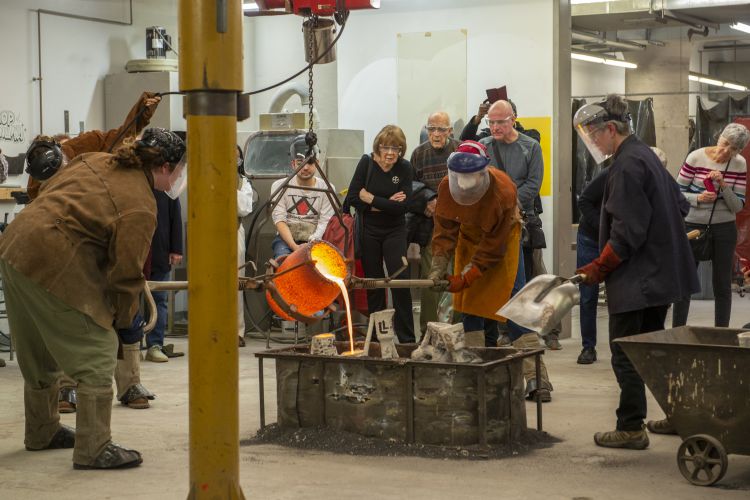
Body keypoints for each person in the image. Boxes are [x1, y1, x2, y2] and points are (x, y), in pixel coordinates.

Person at [0, 127, 186, 469]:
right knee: (98, 352)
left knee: (38, 350)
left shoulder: (97, 160)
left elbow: (50, 191)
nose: (179, 177)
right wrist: (124, 319)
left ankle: (42, 431)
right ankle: (95, 447)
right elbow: (127, 274)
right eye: (179, 170)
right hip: (53, 260)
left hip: (14, 249)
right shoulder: (142, 206)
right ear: (163, 167)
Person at [573, 94, 699, 450]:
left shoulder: (627, 165)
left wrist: (599, 267)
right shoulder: (645, 155)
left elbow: (627, 233)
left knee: (626, 353)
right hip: (660, 274)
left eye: (594, 136)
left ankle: (630, 427)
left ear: (611, 129)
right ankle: (679, 416)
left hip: (640, 279)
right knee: (651, 352)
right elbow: (679, 203)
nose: (593, 143)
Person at [23, 92, 162, 411]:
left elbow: (117, 139)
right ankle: (67, 389)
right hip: (67, 253)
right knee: (72, 319)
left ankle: (130, 384)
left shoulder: (84, 146)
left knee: (127, 310)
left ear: (63, 154)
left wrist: (139, 115)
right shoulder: (37, 181)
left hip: (104, 241)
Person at [428, 140, 553, 401]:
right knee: (469, 307)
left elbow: (492, 248)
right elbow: (445, 230)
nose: (463, 184)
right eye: (458, 179)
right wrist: (438, 267)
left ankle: (536, 377)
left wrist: (467, 276)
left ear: (483, 173)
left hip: (503, 242)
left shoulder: (504, 191)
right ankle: (474, 370)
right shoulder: (445, 188)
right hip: (469, 239)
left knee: (515, 304)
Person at [672, 123, 749, 328]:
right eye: (724, 144)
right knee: (684, 281)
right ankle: (678, 331)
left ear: (738, 151)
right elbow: (676, 193)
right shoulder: (695, 157)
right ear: (719, 137)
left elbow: (737, 206)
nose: (725, 151)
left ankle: (720, 333)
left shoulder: (740, 164)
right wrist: (698, 198)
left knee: (722, 285)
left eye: (732, 149)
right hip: (693, 226)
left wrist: (723, 186)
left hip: (724, 228)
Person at [346, 125, 415, 343]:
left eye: (396, 148)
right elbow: (353, 199)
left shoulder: (404, 168)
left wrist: (372, 200)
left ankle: (406, 338)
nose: (391, 153)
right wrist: (386, 203)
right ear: (378, 147)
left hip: (395, 230)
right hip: (369, 230)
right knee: (373, 284)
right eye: (386, 147)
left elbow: (404, 207)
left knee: (400, 281)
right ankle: (377, 337)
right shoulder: (366, 163)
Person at [409, 111, 459, 337]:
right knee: (430, 279)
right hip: (431, 226)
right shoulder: (419, 154)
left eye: (441, 129)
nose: (436, 134)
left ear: (450, 131)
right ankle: (428, 332)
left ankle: (458, 330)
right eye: (431, 129)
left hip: (460, 225)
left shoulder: (459, 151)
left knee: (459, 277)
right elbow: (411, 186)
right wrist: (427, 200)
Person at [270, 136, 334, 258]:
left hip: (315, 238)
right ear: (293, 164)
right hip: (286, 239)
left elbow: (325, 220)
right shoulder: (279, 186)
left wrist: (313, 242)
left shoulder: (327, 188)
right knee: (283, 262)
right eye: (300, 163)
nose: (305, 167)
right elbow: (279, 220)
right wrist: (294, 247)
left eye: (310, 163)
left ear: (317, 164)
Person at [144, 190, 183, 362]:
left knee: (159, 299)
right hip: (134, 252)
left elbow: (175, 216)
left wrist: (176, 249)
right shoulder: (131, 181)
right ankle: (130, 345)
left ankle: (155, 345)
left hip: (159, 251)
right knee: (128, 299)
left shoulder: (166, 186)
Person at [575, 169, 607, 365]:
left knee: (622, 293)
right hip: (591, 237)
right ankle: (588, 346)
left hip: (618, 240)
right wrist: (602, 226)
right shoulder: (609, 175)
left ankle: (621, 346)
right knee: (588, 293)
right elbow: (584, 201)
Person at [237, 145, 254, 346]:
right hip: (208, 232)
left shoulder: (243, 183)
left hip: (233, 231)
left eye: (237, 158)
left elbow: (243, 208)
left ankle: (237, 331)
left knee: (237, 282)